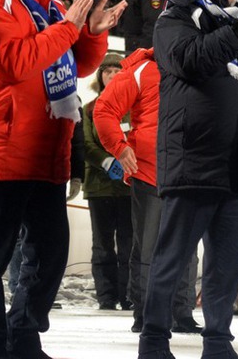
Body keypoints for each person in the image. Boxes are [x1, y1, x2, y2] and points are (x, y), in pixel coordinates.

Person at [0, 0, 124, 359]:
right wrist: (68, 28)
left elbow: (78, 65)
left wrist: (91, 34)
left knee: (50, 254)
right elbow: (15, 63)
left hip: (46, 147)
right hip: (4, 145)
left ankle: (23, 337)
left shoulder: (46, 2)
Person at [138, 0, 238, 359]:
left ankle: (217, 341)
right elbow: (190, 60)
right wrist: (236, 31)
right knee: (172, 260)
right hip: (192, 159)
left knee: (226, 265)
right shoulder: (176, 16)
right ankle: (153, 340)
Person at [93, 47, 202, 335]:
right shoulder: (141, 69)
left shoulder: (199, 64)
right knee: (148, 246)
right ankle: (145, 312)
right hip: (150, 170)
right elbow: (104, 109)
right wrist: (119, 147)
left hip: (190, 172)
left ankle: (181, 312)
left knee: (186, 247)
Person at [82, 52, 134, 311]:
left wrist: (126, 162)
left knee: (128, 244)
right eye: (107, 71)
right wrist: (106, 161)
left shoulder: (134, 107)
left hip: (129, 187)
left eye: (117, 71)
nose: (112, 76)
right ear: (100, 76)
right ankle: (106, 296)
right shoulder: (89, 109)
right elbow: (85, 143)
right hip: (98, 187)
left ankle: (128, 295)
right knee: (102, 244)